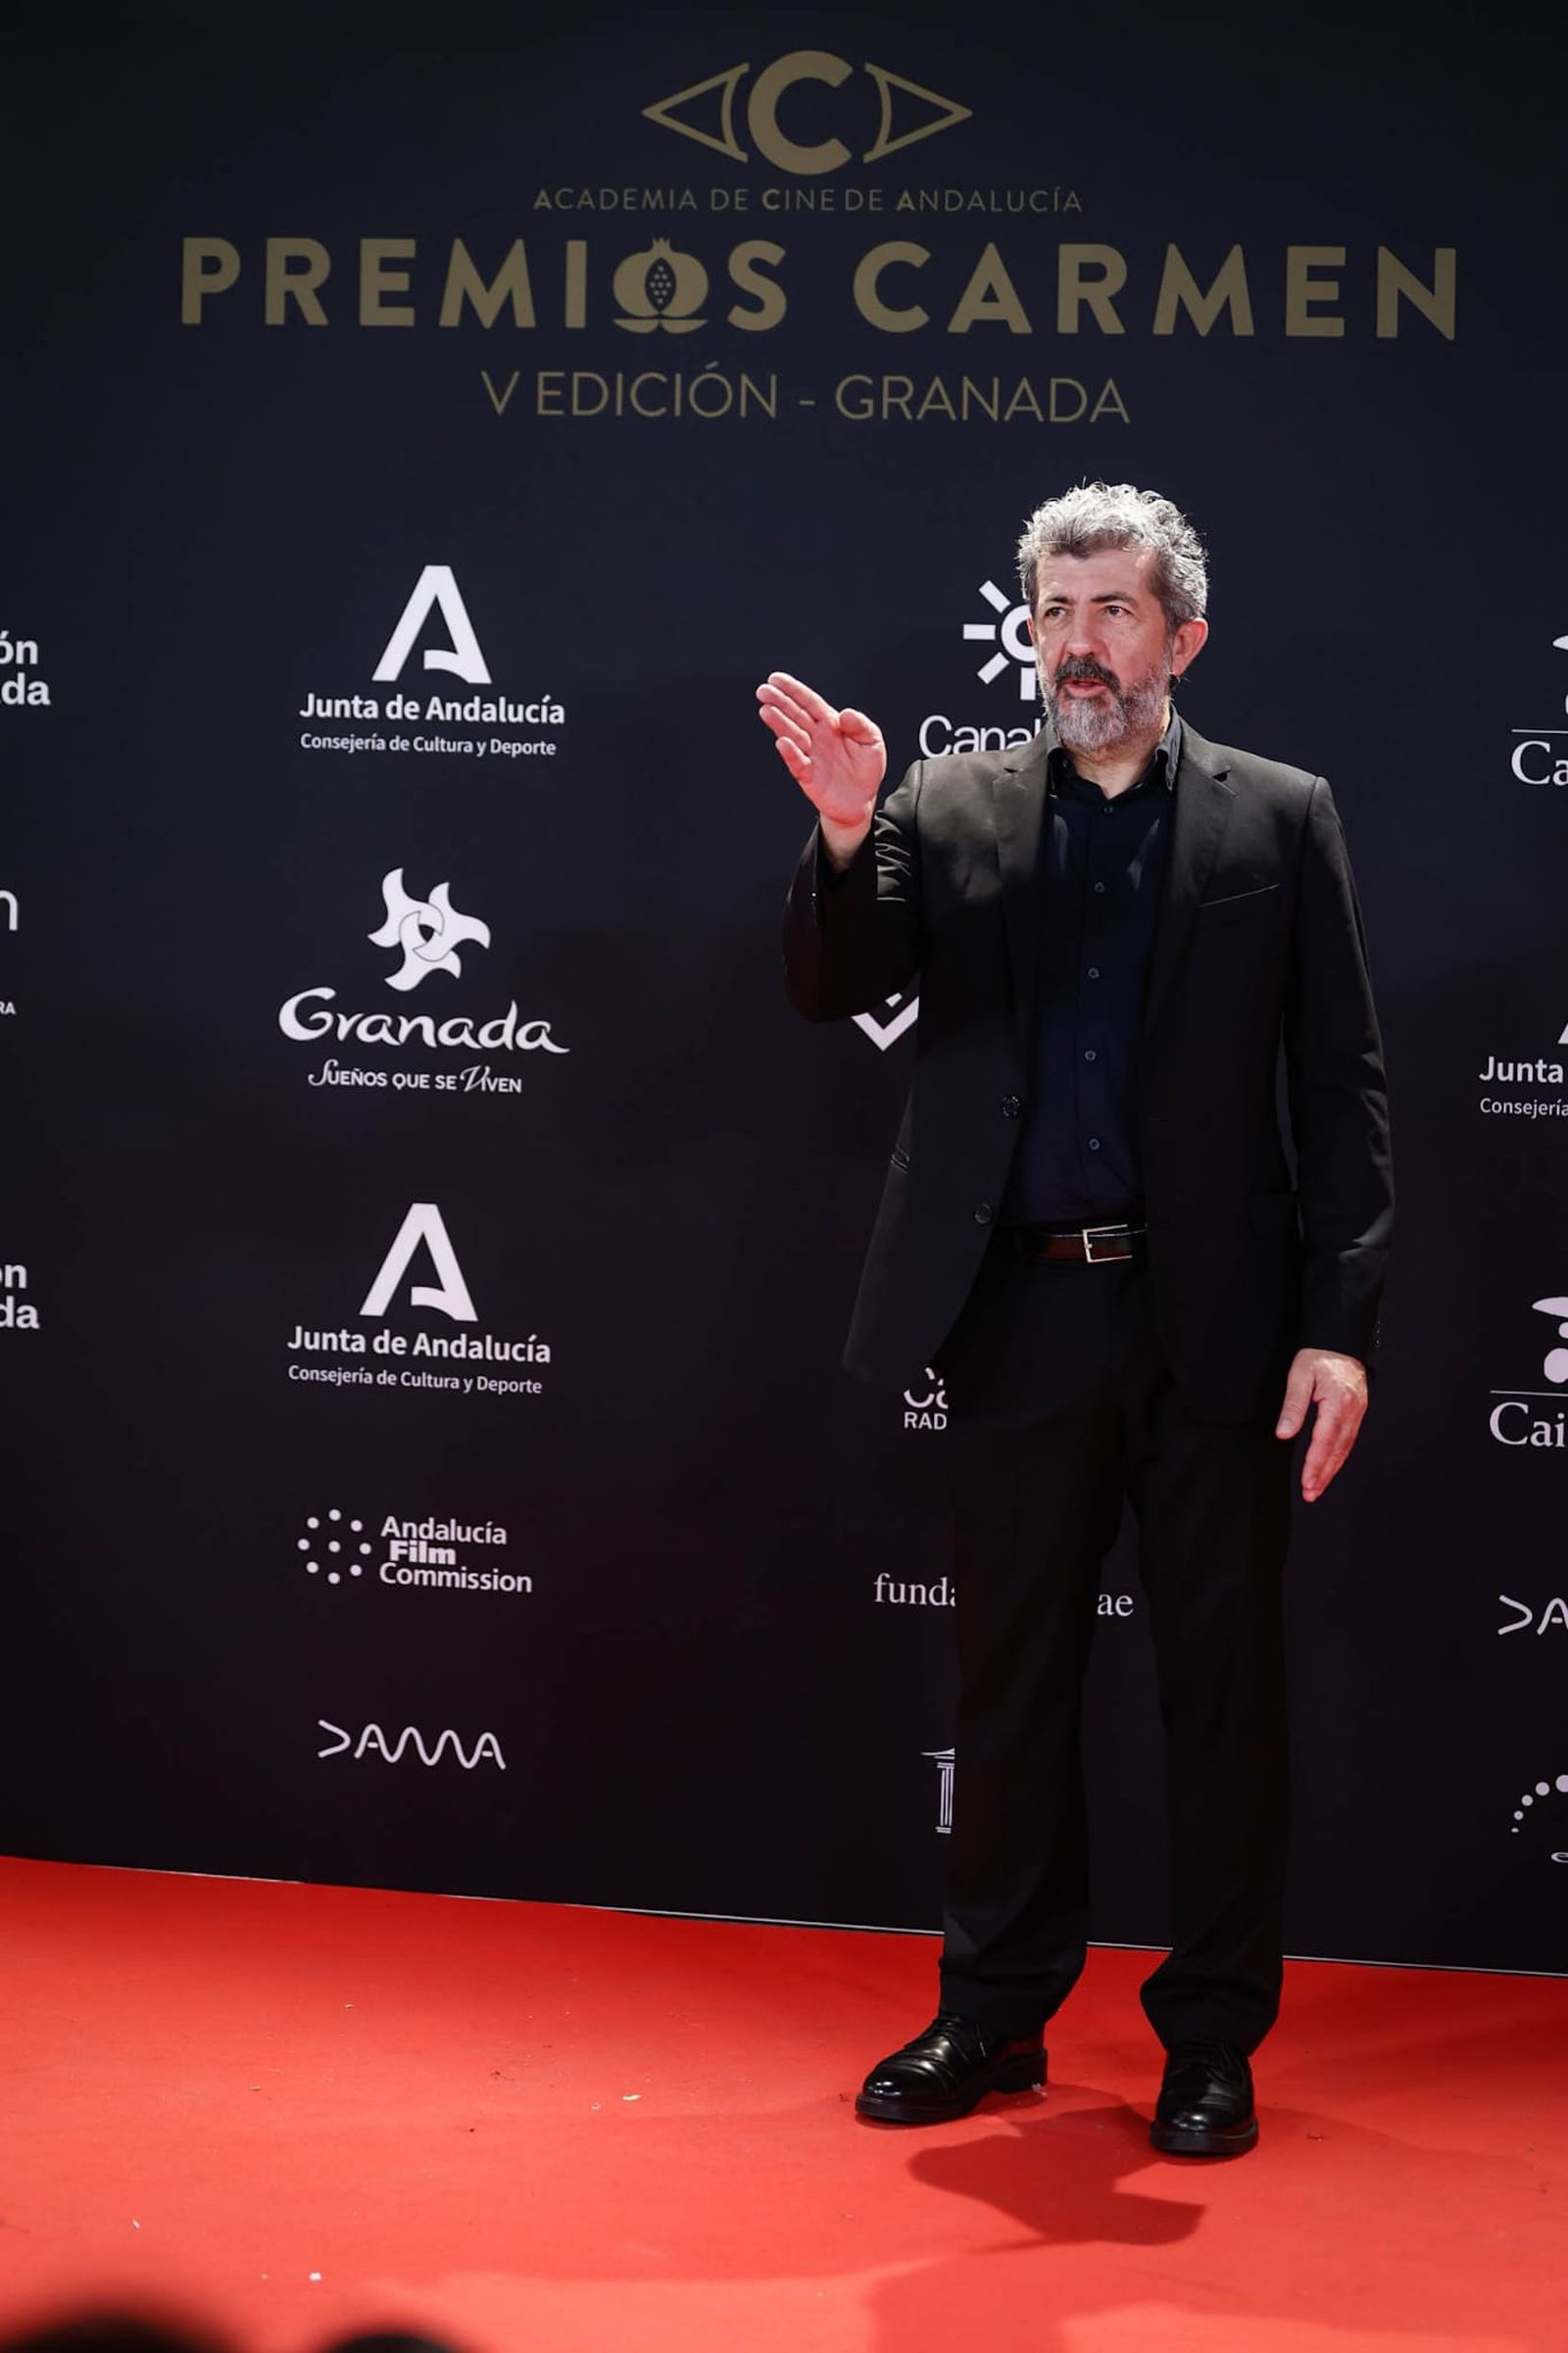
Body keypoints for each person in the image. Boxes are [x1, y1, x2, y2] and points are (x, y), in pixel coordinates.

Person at [759, 482, 1392, 2158]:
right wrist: (840, 831)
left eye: (1114, 611)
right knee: (1012, 1685)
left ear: (1181, 634)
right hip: (1018, 1316)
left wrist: (1339, 1321)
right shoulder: (946, 803)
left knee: (1221, 1695)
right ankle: (993, 2010)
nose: (1080, 643)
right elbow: (834, 983)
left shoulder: (1281, 817)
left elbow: (1342, 1089)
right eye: (1056, 610)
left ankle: (1210, 2041)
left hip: (1221, 1330)